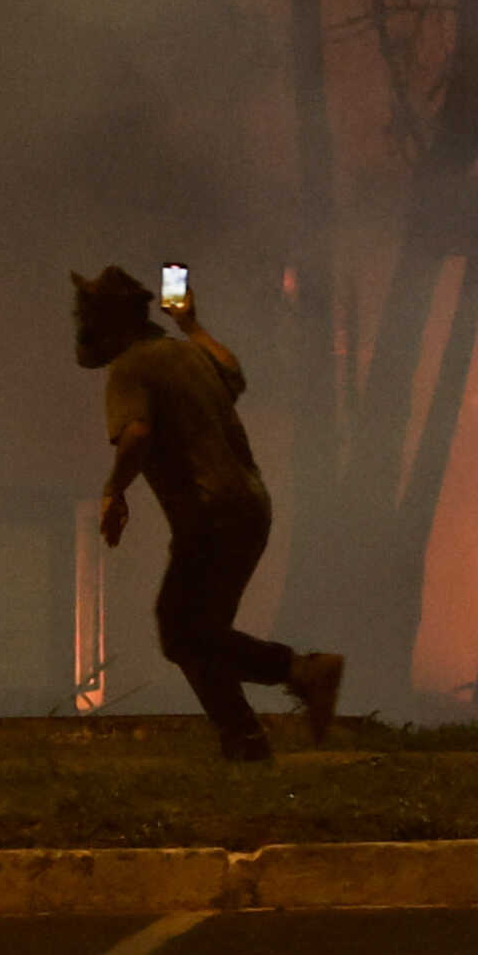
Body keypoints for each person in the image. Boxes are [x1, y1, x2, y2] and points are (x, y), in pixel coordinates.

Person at [70, 265, 342, 761]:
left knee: (181, 630)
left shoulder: (131, 366)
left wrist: (114, 492)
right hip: (249, 508)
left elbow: (136, 433)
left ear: (107, 323)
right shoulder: (187, 352)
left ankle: (299, 675)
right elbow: (233, 371)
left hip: (210, 512)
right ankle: (246, 739)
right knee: (196, 634)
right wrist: (191, 325)